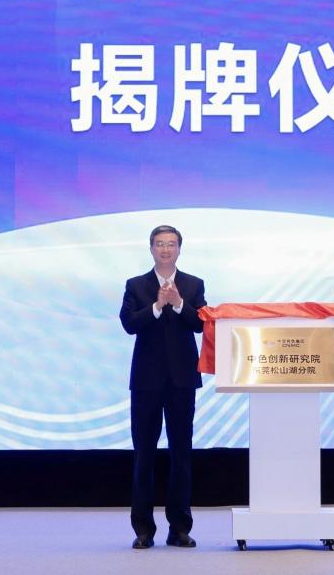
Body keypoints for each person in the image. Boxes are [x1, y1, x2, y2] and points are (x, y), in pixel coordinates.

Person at [119, 225, 206, 549]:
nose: (165, 249)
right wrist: (156, 306)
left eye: (171, 244)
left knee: (181, 454)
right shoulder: (136, 285)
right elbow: (129, 324)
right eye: (159, 244)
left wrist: (180, 303)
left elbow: (200, 324)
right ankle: (143, 529)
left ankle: (179, 528)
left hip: (182, 381)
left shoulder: (193, 284)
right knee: (144, 454)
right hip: (146, 382)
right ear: (151, 248)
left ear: (179, 249)